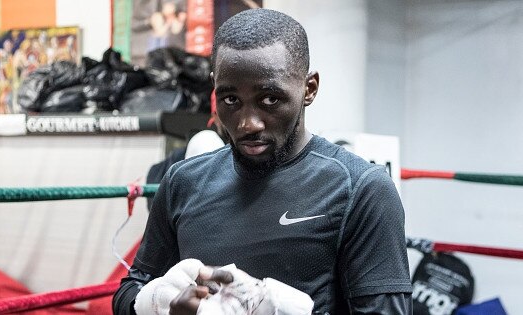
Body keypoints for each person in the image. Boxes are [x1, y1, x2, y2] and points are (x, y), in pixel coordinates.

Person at [113, 8, 412, 315]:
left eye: (270, 99)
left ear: (309, 88)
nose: (248, 124)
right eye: (231, 100)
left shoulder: (361, 189)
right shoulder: (183, 181)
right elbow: (131, 289)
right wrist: (159, 301)